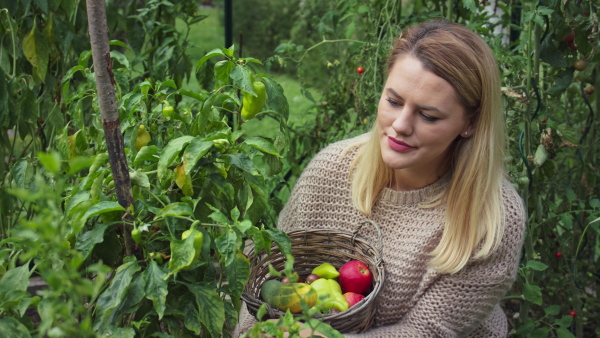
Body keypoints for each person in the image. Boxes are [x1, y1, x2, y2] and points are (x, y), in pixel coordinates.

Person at [234, 20, 526, 337]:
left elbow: (427, 330)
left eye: (428, 115)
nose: (400, 125)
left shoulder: (490, 216)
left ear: (469, 123)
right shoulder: (331, 171)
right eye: (393, 101)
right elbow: (266, 277)